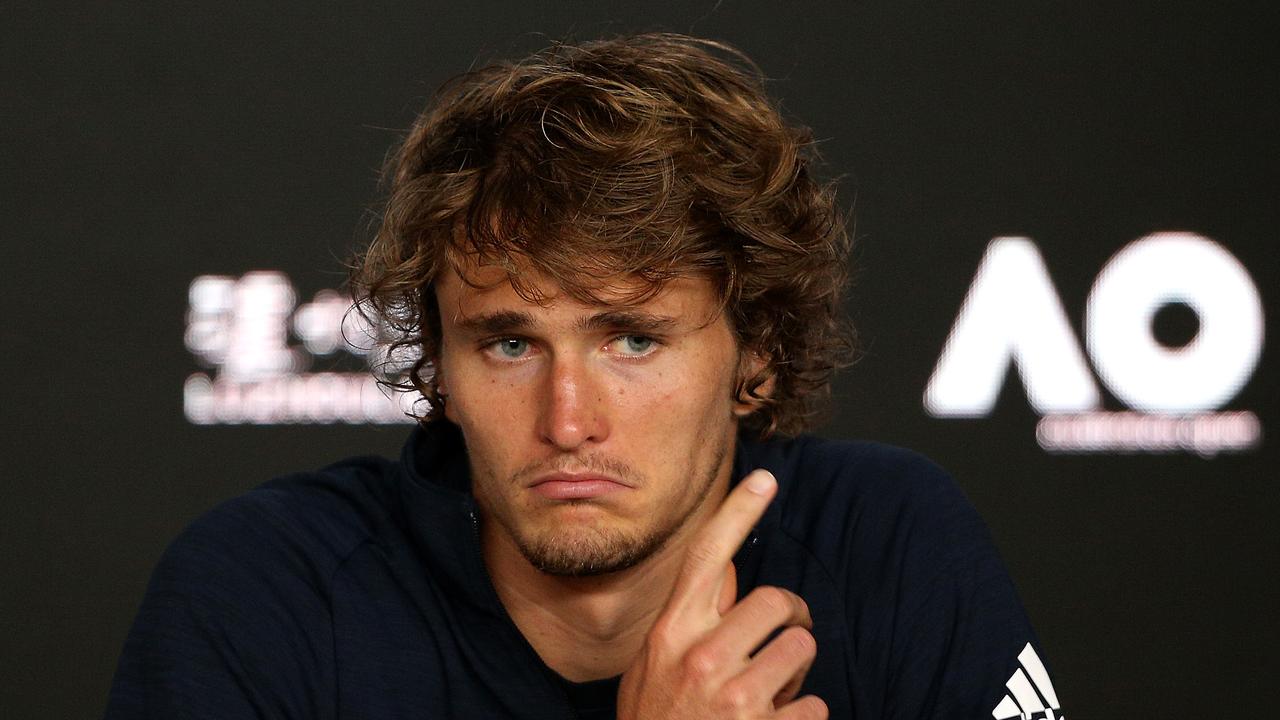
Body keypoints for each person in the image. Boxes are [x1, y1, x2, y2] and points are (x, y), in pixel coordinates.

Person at [106, 33, 1061, 720]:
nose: (569, 421)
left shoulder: (886, 547)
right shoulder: (267, 595)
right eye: (509, 345)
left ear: (756, 355)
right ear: (439, 364)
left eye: (633, 341)